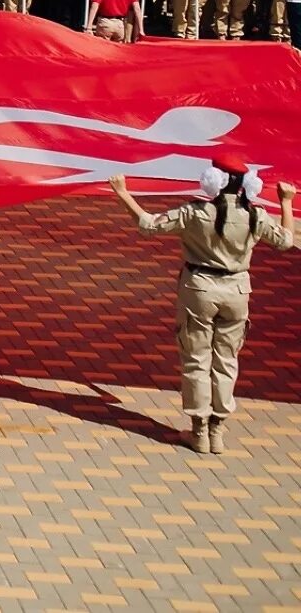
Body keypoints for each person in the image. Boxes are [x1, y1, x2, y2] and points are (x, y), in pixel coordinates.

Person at [108, 165, 295, 455]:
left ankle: (198, 431)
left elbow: (148, 224)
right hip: (237, 292)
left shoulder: (195, 213)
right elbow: (285, 241)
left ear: (212, 182)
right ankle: (217, 430)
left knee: (196, 358)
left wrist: (122, 193)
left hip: (199, 290)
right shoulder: (255, 215)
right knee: (226, 359)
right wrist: (286, 202)